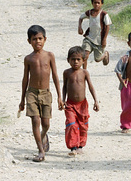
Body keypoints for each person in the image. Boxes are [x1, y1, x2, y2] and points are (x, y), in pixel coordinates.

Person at [18, 25, 63, 162]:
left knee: (46, 123)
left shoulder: (49, 56)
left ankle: (43, 135)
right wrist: (22, 100)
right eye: (34, 39)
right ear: (29, 41)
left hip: (45, 93)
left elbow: (55, 75)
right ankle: (40, 151)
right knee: (35, 120)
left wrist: (59, 96)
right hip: (31, 93)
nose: (37, 42)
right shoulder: (28, 59)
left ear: (45, 39)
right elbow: (25, 78)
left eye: (40, 38)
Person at [62, 46, 99, 156]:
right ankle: (73, 147)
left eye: (78, 59)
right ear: (68, 60)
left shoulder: (84, 73)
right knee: (71, 124)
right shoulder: (67, 73)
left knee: (83, 125)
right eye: (73, 59)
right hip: (70, 104)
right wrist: (62, 100)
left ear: (83, 60)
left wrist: (96, 101)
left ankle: (80, 146)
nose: (76, 62)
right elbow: (64, 87)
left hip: (82, 104)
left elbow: (91, 87)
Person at [78, 0, 111, 69]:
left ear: (102, 4)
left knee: (97, 59)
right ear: (92, 3)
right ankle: (84, 72)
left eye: (98, 3)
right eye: (95, 2)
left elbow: (107, 26)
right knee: (85, 55)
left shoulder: (104, 14)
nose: (96, 4)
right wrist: (80, 27)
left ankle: (105, 54)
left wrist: (104, 39)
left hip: (99, 40)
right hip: (89, 38)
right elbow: (81, 17)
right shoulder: (89, 12)